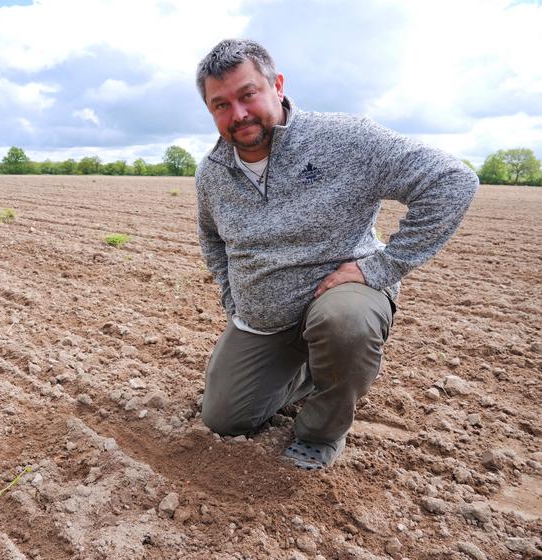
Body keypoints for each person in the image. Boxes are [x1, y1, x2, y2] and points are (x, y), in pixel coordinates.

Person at [194, 39, 478, 470]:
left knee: (344, 324)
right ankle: (311, 373)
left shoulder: (345, 138)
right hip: (263, 320)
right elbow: (213, 240)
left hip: (339, 297)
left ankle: (321, 432)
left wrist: (382, 266)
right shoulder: (212, 173)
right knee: (223, 418)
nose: (238, 114)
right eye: (220, 104)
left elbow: (451, 181)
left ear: (277, 85)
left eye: (247, 94)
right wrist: (234, 300)